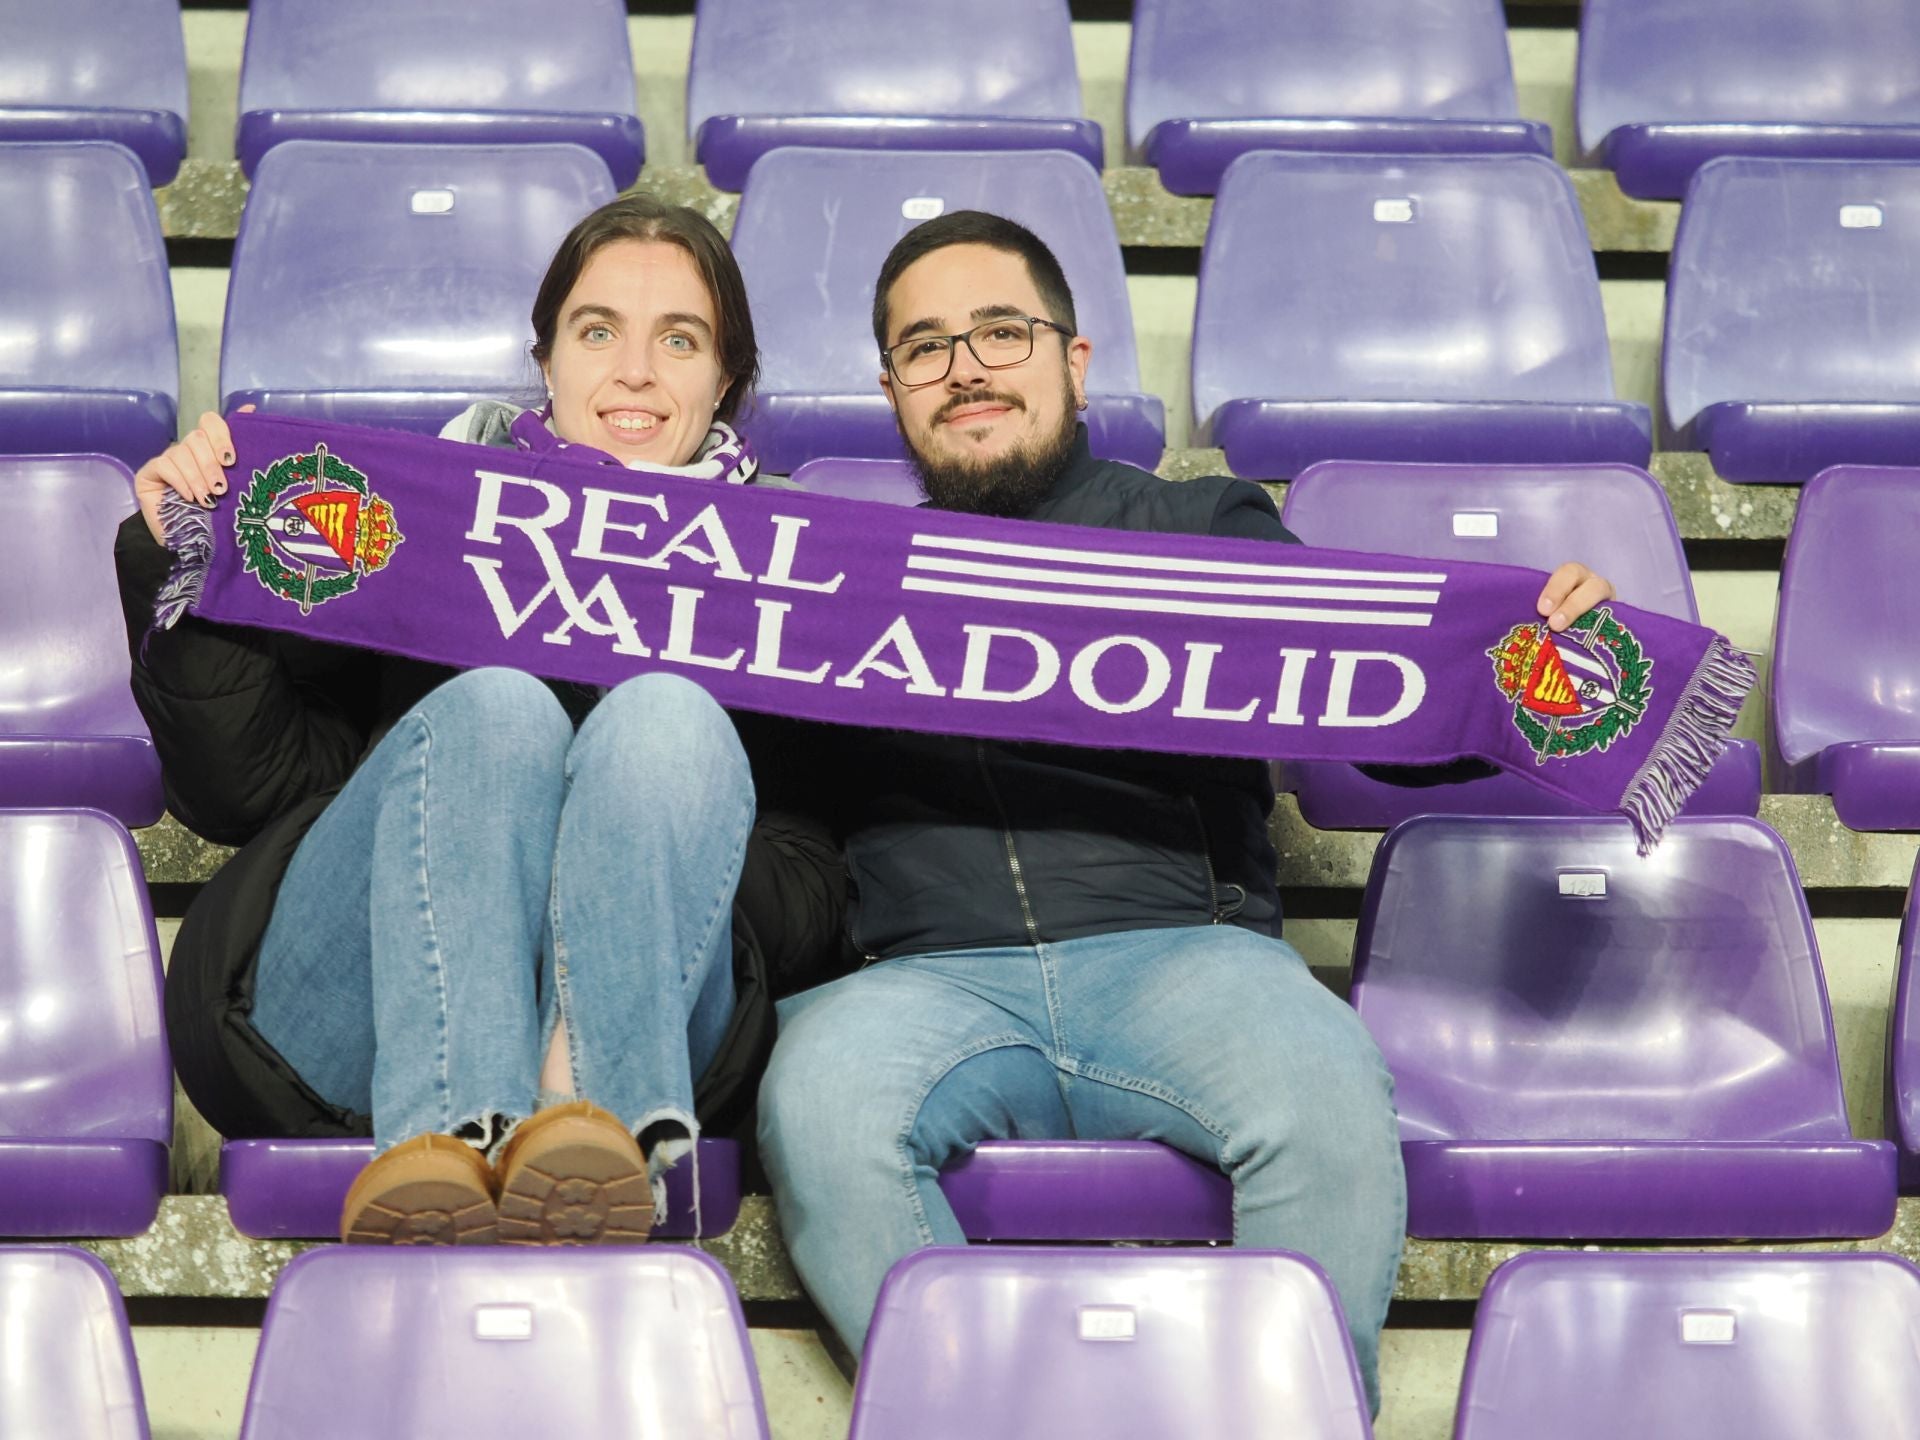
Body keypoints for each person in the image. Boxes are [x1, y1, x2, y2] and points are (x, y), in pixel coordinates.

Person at [753, 210, 1618, 1410]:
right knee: (815, 1106)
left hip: (1185, 962)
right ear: (892, 388)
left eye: (1000, 333)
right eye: (924, 347)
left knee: (1323, 1096)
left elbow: (1376, 694)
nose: (965, 371)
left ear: (1075, 358)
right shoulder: (835, 585)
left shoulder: (1204, 531)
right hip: (924, 981)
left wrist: (1519, 662)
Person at [116, 195, 845, 1246]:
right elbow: (246, 791)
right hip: (355, 1011)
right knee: (500, 708)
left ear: (724, 381)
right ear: (546, 359)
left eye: (677, 340)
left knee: (663, 718)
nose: (634, 371)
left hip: (649, 1021)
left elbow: (815, 897)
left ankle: (586, 1123)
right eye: (597, 332)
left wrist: (638, 822)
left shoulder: (787, 593)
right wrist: (188, 546)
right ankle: (452, 1140)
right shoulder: (411, 521)